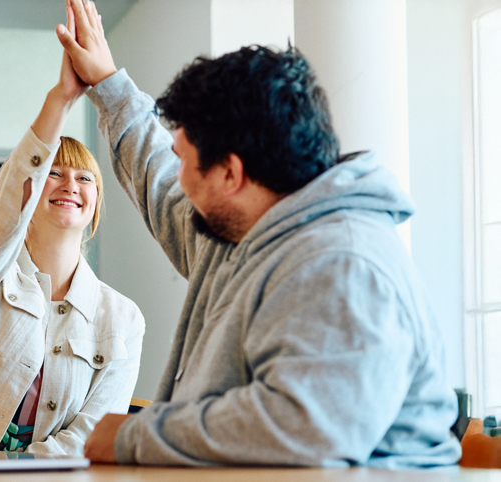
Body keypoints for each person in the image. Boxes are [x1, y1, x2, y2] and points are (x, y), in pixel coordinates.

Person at [54, 0, 461, 468]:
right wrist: (109, 87)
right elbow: (160, 183)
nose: (179, 177)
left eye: (185, 159)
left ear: (231, 174)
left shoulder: (344, 263)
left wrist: (133, 436)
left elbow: (305, 427)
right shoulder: (240, 232)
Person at [0, 7, 145, 455]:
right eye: (54, 172)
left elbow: (91, 435)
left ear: (94, 207)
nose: (71, 183)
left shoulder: (123, 319)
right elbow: (1, 220)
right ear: (29, 196)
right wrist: (62, 100)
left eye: (85, 178)